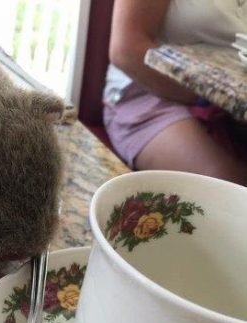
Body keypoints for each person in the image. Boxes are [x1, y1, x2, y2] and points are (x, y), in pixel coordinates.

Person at [103, 0, 247, 185]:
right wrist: (211, 98)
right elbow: (125, 51)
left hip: (229, 99)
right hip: (149, 94)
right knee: (234, 190)